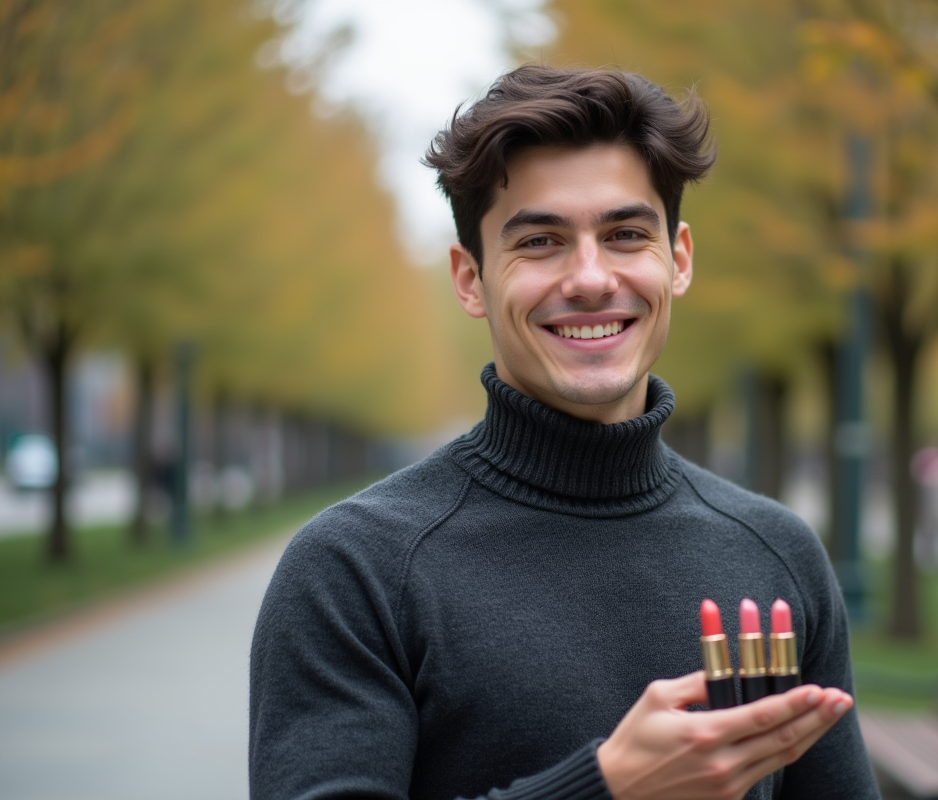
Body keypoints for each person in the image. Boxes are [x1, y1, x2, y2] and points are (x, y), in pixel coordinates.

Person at [248, 65, 879, 800]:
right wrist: (607, 789)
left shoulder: (776, 554)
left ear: (677, 260)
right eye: (541, 241)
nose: (589, 277)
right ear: (469, 278)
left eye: (625, 234)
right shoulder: (353, 570)